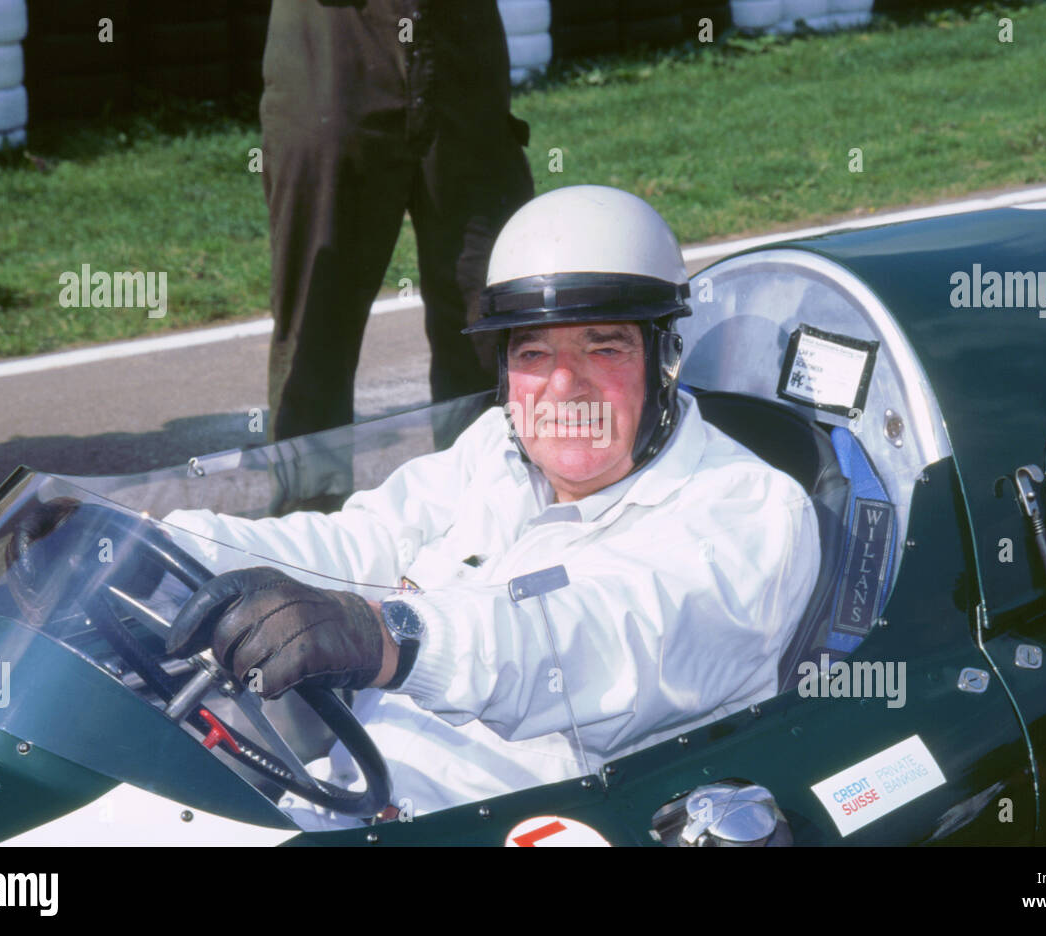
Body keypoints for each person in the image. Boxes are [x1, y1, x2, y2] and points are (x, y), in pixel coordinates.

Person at [161, 186, 820, 824]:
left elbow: (585, 634)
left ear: (665, 356)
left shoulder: (749, 510)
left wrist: (387, 634)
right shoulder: (495, 455)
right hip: (340, 808)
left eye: (605, 347)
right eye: (534, 352)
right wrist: (147, 543)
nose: (564, 387)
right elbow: (349, 547)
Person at [260, 0, 534, 443]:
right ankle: (310, 500)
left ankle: (492, 487)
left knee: (486, 300)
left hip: (457, 48)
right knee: (317, 312)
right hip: (331, 42)